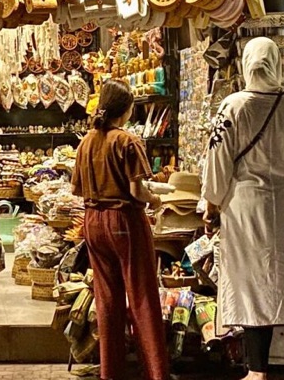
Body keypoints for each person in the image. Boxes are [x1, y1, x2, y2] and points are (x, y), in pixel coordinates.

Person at [202, 37, 284, 380]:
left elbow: (218, 162)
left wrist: (212, 204)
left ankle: (257, 370)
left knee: (252, 284)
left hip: (248, 210)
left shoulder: (231, 107)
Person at [71, 79, 169, 380]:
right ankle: (155, 371)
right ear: (126, 110)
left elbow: (76, 189)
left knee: (107, 299)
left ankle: (110, 371)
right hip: (123, 221)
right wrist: (155, 198)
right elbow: (137, 190)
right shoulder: (127, 141)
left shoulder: (87, 141)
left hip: (93, 221)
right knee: (141, 296)